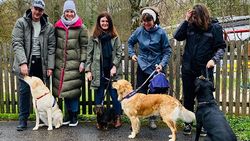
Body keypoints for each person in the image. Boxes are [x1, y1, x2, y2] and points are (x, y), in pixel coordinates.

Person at [173, 3, 226, 135]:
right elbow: (177, 36)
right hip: (188, 68)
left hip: (204, 70)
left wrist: (214, 60)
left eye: (196, 18)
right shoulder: (190, 26)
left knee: (204, 100)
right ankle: (188, 123)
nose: (194, 20)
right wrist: (186, 20)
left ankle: (202, 125)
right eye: (192, 18)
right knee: (188, 97)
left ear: (203, 16)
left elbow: (221, 47)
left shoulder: (215, 27)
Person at [12, 0, 55, 131]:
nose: (37, 12)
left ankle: (48, 119)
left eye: (40, 10)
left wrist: (50, 66)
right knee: (24, 92)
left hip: (41, 64)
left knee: (42, 94)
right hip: (26, 63)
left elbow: (51, 47)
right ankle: (22, 120)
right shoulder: (21, 23)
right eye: (35, 9)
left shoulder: (49, 27)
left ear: (43, 11)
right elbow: (17, 43)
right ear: (31, 8)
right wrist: (23, 62)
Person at [128, 7, 172, 129]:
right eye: (144, 21)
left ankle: (152, 119)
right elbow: (130, 43)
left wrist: (162, 64)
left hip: (156, 67)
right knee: (140, 94)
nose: (146, 24)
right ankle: (136, 120)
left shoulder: (161, 33)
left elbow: (167, 50)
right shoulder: (139, 31)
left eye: (149, 21)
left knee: (154, 95)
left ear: (154, 20)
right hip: (142, 66)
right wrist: (132, 54)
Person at [52, 0, 88, 127]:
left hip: (74, 63)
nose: (69, 14)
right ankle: (68, 114)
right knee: (64, 90)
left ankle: (74, 115)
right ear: (64, 12)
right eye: (67, 11)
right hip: (60, 64)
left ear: (75, 12)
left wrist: (83, 61)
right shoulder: (58, 26)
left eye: (71, 11)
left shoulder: (81, 27)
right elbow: (54, 44)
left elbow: (84, 46)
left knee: (73, 91)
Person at [85, 11, 122, 129]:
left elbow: (119, 53)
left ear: (109, 23)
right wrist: (88, 70)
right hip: (98, 72)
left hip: (112, 72)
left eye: (107, 21)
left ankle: (117, 118)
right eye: (102, 21)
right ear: (99, 23)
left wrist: (115, 66)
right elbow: (89, 55)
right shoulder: (94, 38)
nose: (105, 23)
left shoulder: (115, 37)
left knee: (115, 96)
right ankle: (99, 120)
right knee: (99, 96)